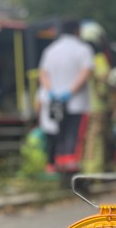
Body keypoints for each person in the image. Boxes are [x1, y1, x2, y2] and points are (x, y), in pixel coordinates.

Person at [38, 18, 94, 173]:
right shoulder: (83, 49)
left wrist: (51, 92)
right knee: (74, 135)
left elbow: (43, 73)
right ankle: (71, 168)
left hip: (55, 102)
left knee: (59, 133)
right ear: (77, 31)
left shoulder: (50, 50)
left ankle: (59, 165)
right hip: (77, 103)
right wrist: (70, 92)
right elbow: (86, 72)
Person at [80, 20, 112, 173]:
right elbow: (104, 86)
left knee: (85, 141)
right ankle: (94, 174)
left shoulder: (80, 58)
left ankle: (86, 171)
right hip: (97, 108)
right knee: (97, 143)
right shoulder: (99, 60)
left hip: (80, 108)